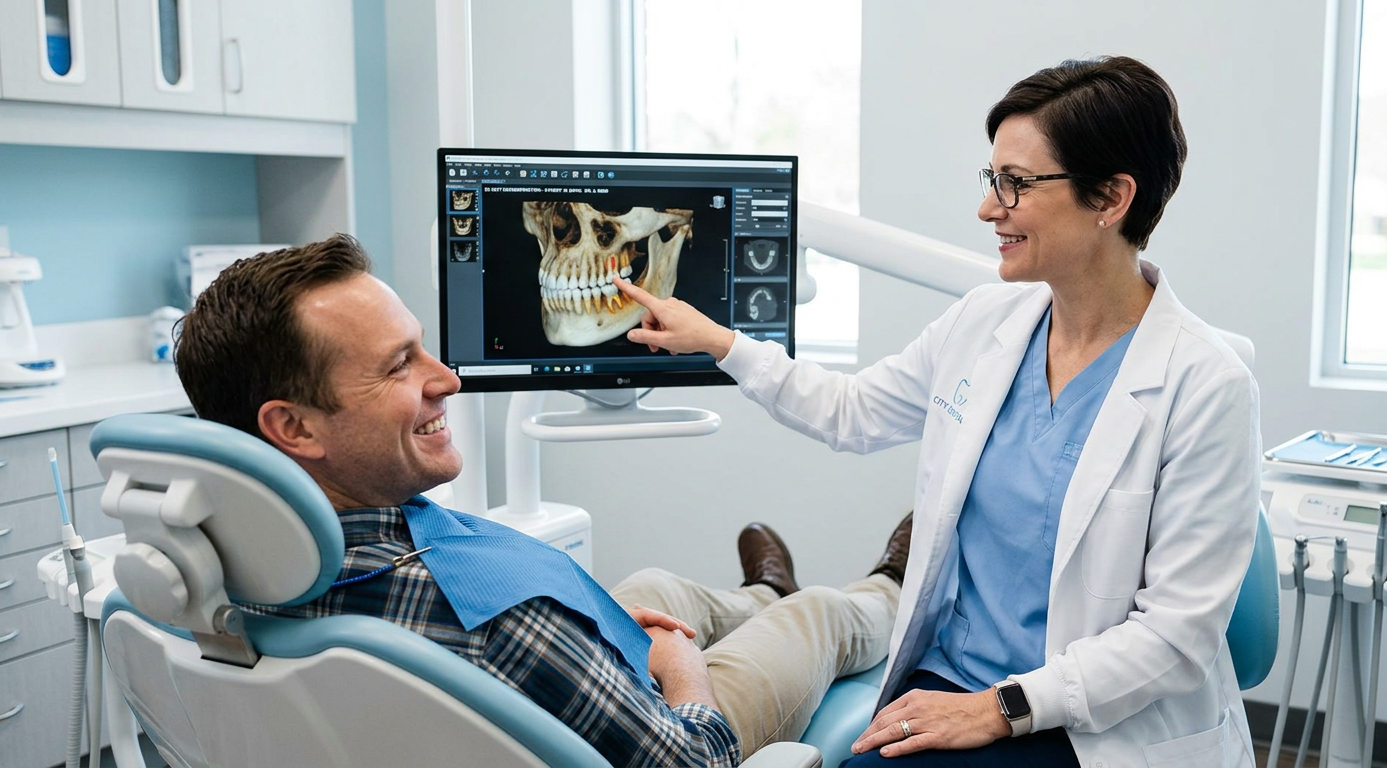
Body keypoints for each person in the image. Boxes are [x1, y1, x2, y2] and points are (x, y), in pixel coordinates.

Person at [612, 55, 1261, 768]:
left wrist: (1000, 708)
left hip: (1088, 721)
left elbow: (1174, 639)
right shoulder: (987, 322)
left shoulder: (1206, 385)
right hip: (954, 675)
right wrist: (723, 344)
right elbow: (852, 412)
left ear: (1110, 198)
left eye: (1015, 184)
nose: (989, 208)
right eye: (992, 180)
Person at [172, 233, 912, 768]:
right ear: (293, 426)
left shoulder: (212, 567)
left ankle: (758, 592)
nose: (448, 378)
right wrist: (682, 670)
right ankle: (887, 587)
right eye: (401, 365)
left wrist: (602, 627)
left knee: (656, 587)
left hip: (521, 688)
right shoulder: (498, 619)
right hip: (664, 733)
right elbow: (695, 761)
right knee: (818, 614)